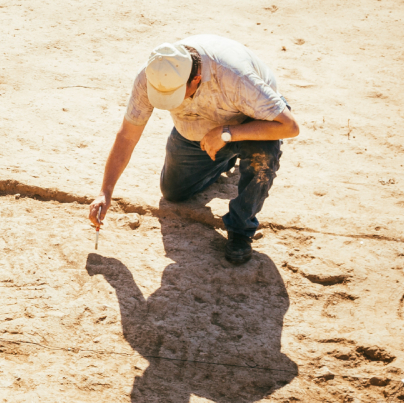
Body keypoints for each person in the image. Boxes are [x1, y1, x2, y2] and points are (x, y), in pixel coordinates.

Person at [89, 36, 300, 266]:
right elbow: (127, 135)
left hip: (250, 125)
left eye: (176, 96)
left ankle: (241, 228)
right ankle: (224, 160)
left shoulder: (235, 77)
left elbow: (290, 126)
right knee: (173, 192)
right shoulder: (153, 74)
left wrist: (227, 133)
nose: (171, 104)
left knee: (262, 158)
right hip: (195, 134)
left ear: (196, 79)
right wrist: (105, 191)